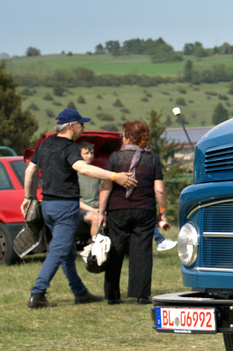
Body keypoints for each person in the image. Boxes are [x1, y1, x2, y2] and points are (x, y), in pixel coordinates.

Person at [20, 108, 136, 308]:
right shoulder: (69, 147)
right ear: (72, 126)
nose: (83, 128)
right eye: (82, 124)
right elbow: (82, 168)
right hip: (65, 206)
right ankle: (38, 293)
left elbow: (30, 170)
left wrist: (28, 197)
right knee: (59, 250)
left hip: (46, 204)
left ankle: (80, 292)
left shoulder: (44, 144)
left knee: (66, 251)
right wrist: (115, 176)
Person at [98, 119, 168, 305]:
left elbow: (106, 185)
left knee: (115, 250)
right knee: (142, 251)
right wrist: (162, 212)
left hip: (117, 209)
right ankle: (141, 295)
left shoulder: (115, 158)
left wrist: (101, 211)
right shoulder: (152, 159)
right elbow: (159, 190)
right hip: (144, 210)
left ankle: (112, 295)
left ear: (128, 137)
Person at [76, 141, 105, 239]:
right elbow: (76, 200)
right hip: (80, 210)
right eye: (86, 153)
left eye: (91, 153)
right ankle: (95, 247)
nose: (90, 156)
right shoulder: (74, 174)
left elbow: (102, 193)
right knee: (96, 218)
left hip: (98, 208)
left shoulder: (97, 172)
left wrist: (102, 210)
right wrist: (94, 210)